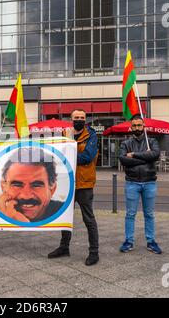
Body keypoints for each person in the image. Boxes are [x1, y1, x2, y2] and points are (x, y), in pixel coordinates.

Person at [48, 109, 100, 266]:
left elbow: (87, 157)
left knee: (88, 218)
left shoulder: (91, 135)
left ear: (86, 119)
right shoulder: (64, 134)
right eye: (76, 117)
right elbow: (56, 155)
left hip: (84, 183)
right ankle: (64, 247)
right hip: (67, 182)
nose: (79, 119)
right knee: (64, 216)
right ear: (70, 119)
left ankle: (94, 252)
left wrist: (70, 147)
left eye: (82, 117)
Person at [118, 115, 162, 254]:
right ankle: (128, 241)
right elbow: (124, 160)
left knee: (149, 214)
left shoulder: (152, 141)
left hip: (149, 182)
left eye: (139, 125)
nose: (137, 128)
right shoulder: (125, 143)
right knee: (130, 214)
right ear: (131, 127)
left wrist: (135, 155)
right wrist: (145, 157)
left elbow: (155, 155)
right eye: (134, 125)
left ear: (144, 126)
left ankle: (151, 241)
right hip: (132, 182)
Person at [0, 147, 64, 222]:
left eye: (36, 185)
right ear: (3, 187)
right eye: (17, 185)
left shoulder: (64, 212)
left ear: (52, 190)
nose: (26, 196)